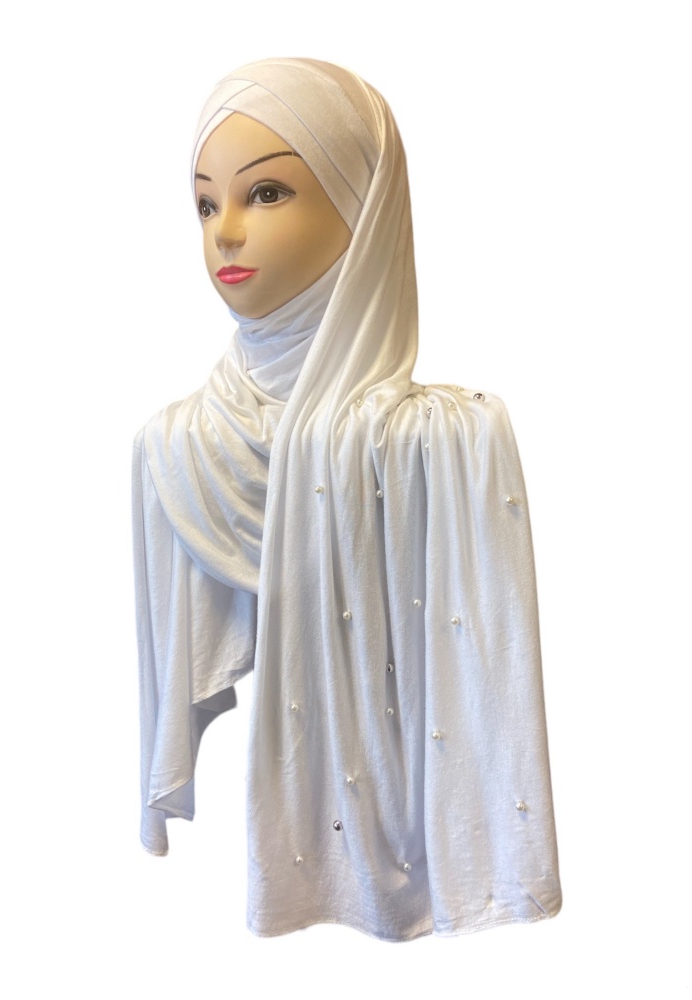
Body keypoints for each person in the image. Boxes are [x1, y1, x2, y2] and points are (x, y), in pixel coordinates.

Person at [132, 57, 562, 941]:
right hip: (206, 905)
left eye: (267, 193)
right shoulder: (179, 445)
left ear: (363, 206)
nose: (226, 233)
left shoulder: (443, 438)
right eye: (205, 205)